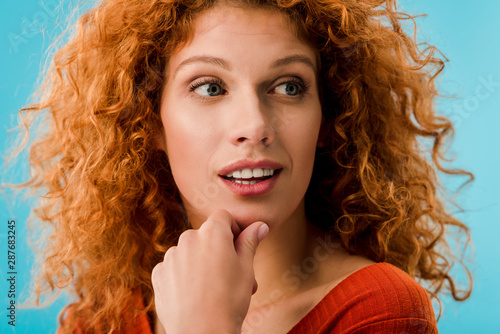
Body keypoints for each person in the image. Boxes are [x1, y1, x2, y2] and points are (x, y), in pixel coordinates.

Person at [16, 0, 473, 333]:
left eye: (289, 87)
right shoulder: (103, 319)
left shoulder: (381, 310)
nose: (254, 126)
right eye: (210, 87)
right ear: (147, 120)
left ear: (327, 118)